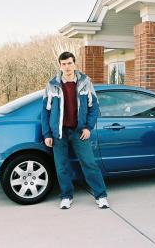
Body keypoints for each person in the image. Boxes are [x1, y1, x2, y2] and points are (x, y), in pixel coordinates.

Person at [41, 51, 109, 209]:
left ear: (74, 64)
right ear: (60, 66)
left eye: (69, 63)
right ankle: (66, 196)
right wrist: (47, 134)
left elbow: (94, 107)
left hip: (79, 132)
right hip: (59, 133)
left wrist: (88, 127)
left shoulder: (85, 82)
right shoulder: (52, 85)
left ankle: (101, 196)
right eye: (63, 64)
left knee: (89, 164)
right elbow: (46, 111)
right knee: (61, 166)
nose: (67, 67)